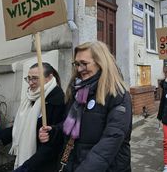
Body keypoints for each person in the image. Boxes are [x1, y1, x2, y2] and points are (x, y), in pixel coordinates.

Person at [39, 41, 132, 172]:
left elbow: (111, 140)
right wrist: (53, 132)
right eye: (77, 64)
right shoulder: (77, 91)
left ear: (101, 62)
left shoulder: (118, 95)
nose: (79, 69)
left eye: (84, 63)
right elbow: (71, 128)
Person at [0, 62, 65, 172]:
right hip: (27, 163)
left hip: (43, 165)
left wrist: (27, 167)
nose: (30, 83)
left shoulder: (57, 100)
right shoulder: (30, 98)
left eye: (35, 79)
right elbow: (19, 129)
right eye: (28, 78)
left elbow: (53, 143)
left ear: (49, 77)